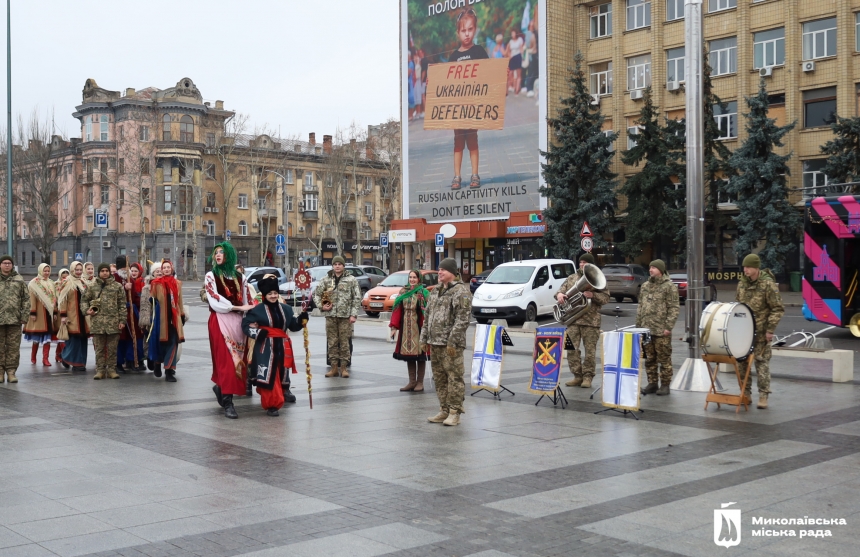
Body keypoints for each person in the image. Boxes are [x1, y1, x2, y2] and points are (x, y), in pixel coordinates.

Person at [242, 275, 309, 415]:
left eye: (275, 293)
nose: (273, 296)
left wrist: (302, 320)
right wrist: (257, 333)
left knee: (280, 373)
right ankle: (271, 405)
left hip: (282, 346)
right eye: (270, 294)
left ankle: (280, 397)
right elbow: (245, 326)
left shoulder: (286, 309)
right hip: (265, 347)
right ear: (264, 295)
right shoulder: (256, 310)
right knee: (268, 374)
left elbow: (293, 326)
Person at [420, 258, 471, 426]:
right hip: (435, 343)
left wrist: (452, 342)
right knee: (439, 378)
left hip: (451, 345)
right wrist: (424, 338)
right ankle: (444, 410)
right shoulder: (435, 291)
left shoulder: (460, 291)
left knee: (454, 378)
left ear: (452, 272)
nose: (439, 272)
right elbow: (427, 316)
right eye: (439, 269)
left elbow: (462, 320)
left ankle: (455, 412)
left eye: (443, 270)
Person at [205, 243, 254, 419]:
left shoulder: (240, 277)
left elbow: (247, 298)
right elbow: (214, 299)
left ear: (229, 255)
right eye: (215, 252)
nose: (217, 255)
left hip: (238, 321)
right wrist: (236, 307)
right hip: (219, 320)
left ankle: (220, 387)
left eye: (221, 252)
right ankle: (228, 402)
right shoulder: (211, 276)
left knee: (238, 360)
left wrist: (249, 313)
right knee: (226, 361)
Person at [736, 254, 785, 409]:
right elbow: (737, 307)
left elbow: (777, 309)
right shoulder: (741, 284)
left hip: (762, 332)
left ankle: (763, 395)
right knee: (742, 363)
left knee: (761, 362)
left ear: (756, 268)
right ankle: (746, 393)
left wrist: (770, 330)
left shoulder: (768, 285)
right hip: (744, 332)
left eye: (749, 267)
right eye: (744, 267)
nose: (746, 270)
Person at [557, 254, 610, 389]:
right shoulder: (571, 278)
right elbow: (560, 291)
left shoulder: (597, 278)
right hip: (573, 320)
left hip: (591, 321)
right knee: (571, 349)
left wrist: (593, 295)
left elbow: (605, 298)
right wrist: (560, 295)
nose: (581, 264)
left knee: (590, 351)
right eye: (580, 262)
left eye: (585, 262)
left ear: (590, 265)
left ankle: (587, 377)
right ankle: (577, 375)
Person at [449, 8, 488, 190]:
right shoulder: (454, 57)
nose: (467, 34)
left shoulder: (479, 51)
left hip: (472, 106)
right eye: (463, 30)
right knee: (458, 142)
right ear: (458, 32)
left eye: (470, 29)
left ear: (475, 29)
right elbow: (446, 81)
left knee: (472, 141)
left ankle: (475, 174)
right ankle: (456, 176)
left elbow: (490, 72)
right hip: (457, 108)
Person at [637, 260, 680, 396]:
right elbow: (640, 307)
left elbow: (674, 308)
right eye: (650, 267)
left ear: (660, 270)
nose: (650, 270)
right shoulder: (645, 286)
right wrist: (639, 327)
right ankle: (652, 383)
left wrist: (668, 326)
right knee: (650, 358)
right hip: (646, 329)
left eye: (654, 268)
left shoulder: (669, 286)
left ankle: (665, 385)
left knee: (664, 358)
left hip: (661, 330)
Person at [313, 255, 361, 378]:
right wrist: (322, 306)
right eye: (335, 264)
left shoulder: (351, 280)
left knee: (344, 342)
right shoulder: (326, 279)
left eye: (339, 264)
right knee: (332, 342)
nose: (337, 266)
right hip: (331, 316)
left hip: (345, 316)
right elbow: (317, 294)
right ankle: (334, 367)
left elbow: (356, 298)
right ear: (332, 266)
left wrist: (353, 314)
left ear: (344, 266)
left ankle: (344, 368)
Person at [389, 270, 430, 392]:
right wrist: (394, 327)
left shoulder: (423, 292)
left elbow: (429, 310)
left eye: (414, 277)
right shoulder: (403, 292)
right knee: (409, 355)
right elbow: (397, 309)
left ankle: (420, 382)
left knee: (420, 355)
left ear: (419, 279)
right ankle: (412, 382)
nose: (412, 280)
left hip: (419, 328)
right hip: (406, 329)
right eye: (410, 277)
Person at [83, 263, 126, 380]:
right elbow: (84, 300)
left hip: (113, 322)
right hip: (98, 323)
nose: (105, 273)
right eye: (102, 271)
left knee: (112, 348)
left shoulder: (117, 286)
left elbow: (122, 304)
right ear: (99, 272)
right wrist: (87, 311)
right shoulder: (92, 286)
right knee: (99, 348)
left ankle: (112, 369)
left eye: (107, 270)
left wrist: (122, 320)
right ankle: (100, 370)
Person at [150, 260, 186, 382]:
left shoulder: (177, 283)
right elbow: (152, 300)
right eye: (164, 268)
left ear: (171, 269)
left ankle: (169, 370)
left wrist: (182, 315)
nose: (166, 269)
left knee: (173, 343)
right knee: (161, 344)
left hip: (174, 319)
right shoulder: (156, 283)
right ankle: (157, 363)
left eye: (168, 267)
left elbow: (179, 300)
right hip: (161, 319)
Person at [0, 255, 30, 383]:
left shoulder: (19, 280)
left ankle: (11, 372)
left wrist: (24, 316)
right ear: (0, 265)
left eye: (9, 263)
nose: (7, 265)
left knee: (13, 347)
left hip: (15, 320)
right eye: (4, 263)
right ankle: (0, 372)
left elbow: (26, 299)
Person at [25, 263, 58, 367]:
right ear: (40, 271)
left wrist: (55, 312)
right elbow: (32, 299)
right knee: (37, 338)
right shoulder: (33, 283)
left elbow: (54, 299)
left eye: (48, 271)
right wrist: (33, 312)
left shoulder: (52, 283)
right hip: (39, 313)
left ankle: (45, 359)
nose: (47, 273)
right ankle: (33, 356)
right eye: (45, 271)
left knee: (47, 338)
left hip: (49, 314)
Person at [59, 261, 90, 372]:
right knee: (74, 341)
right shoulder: (67, 282)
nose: (78, 272)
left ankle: (81, 362)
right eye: (76, 270)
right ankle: (69, 359)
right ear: (72, 270)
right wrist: (63, 315)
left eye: (80, 270)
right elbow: (62, 300)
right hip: (72, 316)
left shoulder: (83, 281)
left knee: (83, 339)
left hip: (83, 316)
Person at [117, 261, 145, 372]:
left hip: (132, 313)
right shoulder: (115, 278)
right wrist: (124, 288)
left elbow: (135, 297)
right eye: (123, 267)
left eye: (126, 267)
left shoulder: (130, 279)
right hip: (119, 313)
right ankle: (118, 363)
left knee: (133, 338)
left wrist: (141, 306)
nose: (125, 269)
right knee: (120, 339)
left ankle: (132, 360)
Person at [139, 262, 161, 374]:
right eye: (157, 271)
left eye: (161, 271)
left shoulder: (167, 284)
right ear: (153, 273)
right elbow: (144, 305)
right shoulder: (147, 288)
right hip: (152, 319)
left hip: (164, 318)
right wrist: (144, 321)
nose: (159, 273)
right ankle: (151, 358)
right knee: (150, 340)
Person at [54, 268, 69, 364]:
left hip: (69, 311)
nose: (65, 276)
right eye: (63, 275)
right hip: (60, 312)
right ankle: (60, 355)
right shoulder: (56, 285)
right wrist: (55, 312)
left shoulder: (70, 283)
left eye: (66, 274)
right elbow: (54, 299)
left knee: (67, 335)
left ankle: (58, 353)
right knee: (61, 335)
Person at [506, 29, 524, 95]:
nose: (513, 35)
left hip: (518, 56)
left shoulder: (520, 40)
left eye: (513, 33)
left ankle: (517, 89)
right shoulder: (510, 41)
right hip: (512, 57)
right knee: (510, 73)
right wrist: (509, 55)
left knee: (519, 74)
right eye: (512, 34)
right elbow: (508, 50)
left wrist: (523, 56)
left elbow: (521, 48)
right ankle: (507, 90)